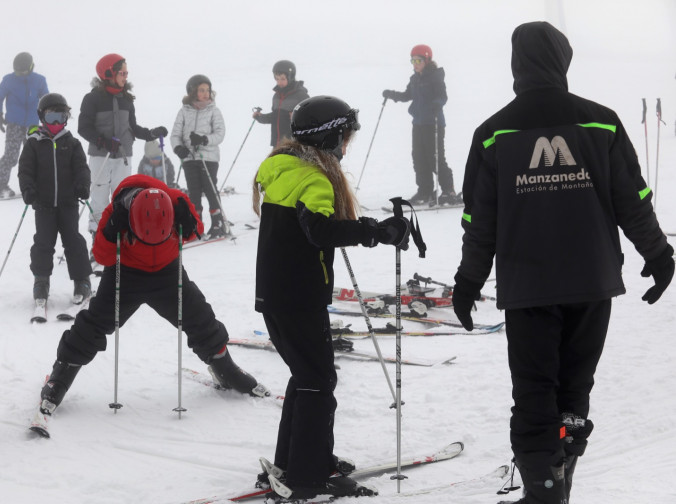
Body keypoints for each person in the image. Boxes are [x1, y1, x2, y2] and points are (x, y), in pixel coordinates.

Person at [451, 22, 674, 504]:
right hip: (591, 281)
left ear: (517, 63)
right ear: (562, 59)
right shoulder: (601, 121)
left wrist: (468, 281)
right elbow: (632, 200)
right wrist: (657, 253)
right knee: (574, 385)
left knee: (534, 390)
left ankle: (545, 491)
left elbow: (479, 221)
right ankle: (557, 480)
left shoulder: (493, 133)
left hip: (530, 285)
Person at [252, 95, 410, 502]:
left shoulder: (282, 168)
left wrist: (367, 228)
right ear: (328, 137)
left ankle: (299, 460)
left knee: (308, 378)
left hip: (277, 295)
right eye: (344, 139)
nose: (345, 147)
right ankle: (306, 477)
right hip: (298, 296)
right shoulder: (314, 179)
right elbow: (320, 231)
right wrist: (376, 232)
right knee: (317, 381)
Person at [35, 174, 264, 424]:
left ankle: (224, 369)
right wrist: (112, 232)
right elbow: (101, 256)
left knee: (199, 316)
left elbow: (196, 229)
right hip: (126, 274)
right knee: (94, 324)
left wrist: (191, 224)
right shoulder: (116, 212)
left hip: (167, 271)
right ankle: (62, 374)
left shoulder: (178, 201)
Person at [78, 53, 168, 243]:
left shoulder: (127, 99)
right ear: (109, 73)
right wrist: (103, 141)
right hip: (100, 157)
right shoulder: (92, 99)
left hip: (123, 156)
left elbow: (132, 128)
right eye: (122, 72)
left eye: (127, 73)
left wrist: (151, 133)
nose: (126, 76)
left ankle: (121, 236)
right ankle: (98, 239)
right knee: (100, 199)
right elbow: (83, 128)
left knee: (123, 198)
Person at [18, 93, 93, 306]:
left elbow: (81, 168)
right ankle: (41, 281)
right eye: (52, 118)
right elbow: (25, 170)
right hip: (43, 205)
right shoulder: (33, 144)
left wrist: (82, 184)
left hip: (68, 204)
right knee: (43, 243)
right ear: (42, 118)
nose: (57, 123)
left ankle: (82, 281)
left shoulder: (72, 143)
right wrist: (28, 189)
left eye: (62, 117)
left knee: (73, 242)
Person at [383, 44, 459, 206]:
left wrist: (437, 103)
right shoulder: (415, 79)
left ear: (427, 60)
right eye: (413, 60)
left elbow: (442, 96)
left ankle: (448, 191)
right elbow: (407, 95)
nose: (415, 63)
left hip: (433, 123)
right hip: (418, 123)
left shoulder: (435, 77)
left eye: (418, 60)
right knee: (418, 158)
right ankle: (425, 191)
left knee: (435, 158)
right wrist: (391, 94)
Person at [170, 74, 226, 238]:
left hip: (208, 157)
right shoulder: (184, 112)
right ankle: (195, 223)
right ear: (192, 92)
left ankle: (218, 222)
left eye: (207, 90)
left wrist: (204, 139)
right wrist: (179, 148)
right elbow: (175, 135)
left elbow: (220, 134)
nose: (206, 93)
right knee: (193, 192)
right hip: (189, 158)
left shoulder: (213, 111)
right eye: (202, 90)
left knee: (210, 189)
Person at [0, 52, 49, 198]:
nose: (19, 74)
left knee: (34, 157)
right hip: (14, 124)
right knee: (10, 156)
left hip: (33, 126)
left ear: (30, 67)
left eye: (22, 71)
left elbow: (47, 101)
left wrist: (48, 119)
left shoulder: (39, 81)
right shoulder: (9, 80)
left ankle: (36, 185)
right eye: (17, 71)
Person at [252, 60, 309, 147]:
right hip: (277, 143)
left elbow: (311, 117)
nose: (279, 82)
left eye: (282, 79)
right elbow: (275, 116)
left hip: (294, 143)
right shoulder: (276, 96)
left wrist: (297, 117)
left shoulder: (300, 95)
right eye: (277, 79)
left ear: (291, 77)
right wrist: (260, 117)